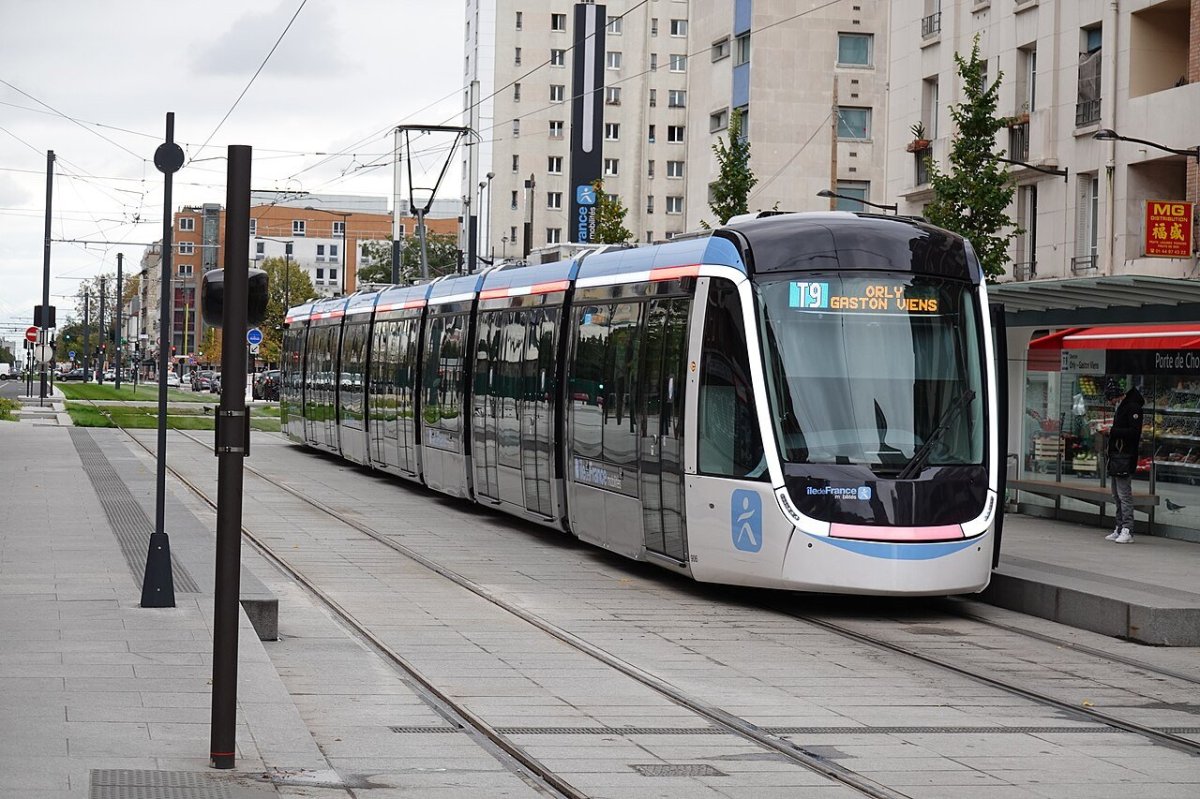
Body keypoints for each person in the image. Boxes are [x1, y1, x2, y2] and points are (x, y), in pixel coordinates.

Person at [1100, 377, 1144, 544]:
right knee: (1116, 494)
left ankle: (1127, 529)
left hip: (1125, 456)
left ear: (1117, 396)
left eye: (1111, 399)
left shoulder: (1132, 408)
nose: (1111, 403)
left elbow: (1134, 432)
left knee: (1124, 494)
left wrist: (1112, 431)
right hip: (1117, 456)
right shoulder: (1122, 407)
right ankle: (1119, 527)